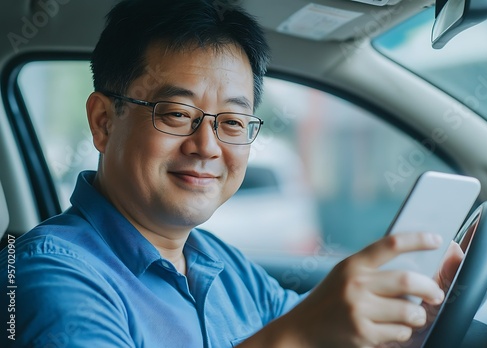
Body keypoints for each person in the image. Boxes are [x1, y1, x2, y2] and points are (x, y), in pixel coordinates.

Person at [0, 0, 463, 347]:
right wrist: (295, 338)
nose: (207, 146)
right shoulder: (47, 275)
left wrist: (416, 309)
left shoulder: (219, 263)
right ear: (104, 121)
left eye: (233, 122)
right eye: (177, 113)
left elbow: (332, 331)